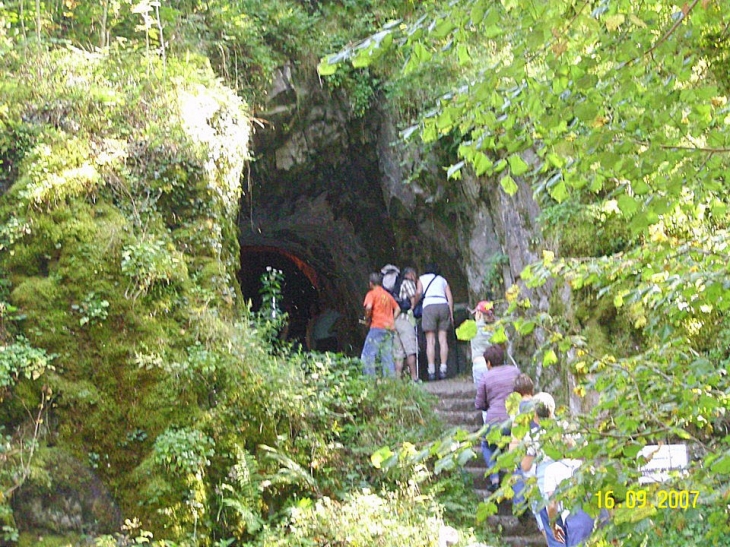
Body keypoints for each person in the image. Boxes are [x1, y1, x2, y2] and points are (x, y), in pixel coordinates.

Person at [475, 344, 521, 491]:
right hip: (514, 421)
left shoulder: (485, 377)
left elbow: (479, 404)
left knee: (487, 445)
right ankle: (517, 482)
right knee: (515, 449)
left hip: (494, 421)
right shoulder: (515, 371)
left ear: (488, 362)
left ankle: (495, 479)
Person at [417, 263, 453, 381]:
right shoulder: (442, 280)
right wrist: (451, 314)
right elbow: (450, 297)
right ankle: (443, 368)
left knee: (430, 341)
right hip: (443, 305)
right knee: (443, 340)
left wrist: (413, 304)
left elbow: (418, 293)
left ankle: (431, 370)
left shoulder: (422, 279)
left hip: (429, 305)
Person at [360, 272, 400, 377]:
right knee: (387, 355)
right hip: (389, 328)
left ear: (370, 283)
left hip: (377, 327)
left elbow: (368, 307)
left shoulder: (371, 294)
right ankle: (390, 382)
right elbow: (398, 308)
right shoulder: (387, 295)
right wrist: (391, 319)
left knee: (368, 354)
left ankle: (370, 380)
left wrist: (367, 319)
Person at [393, 267, 419, 381]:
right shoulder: (408, 283)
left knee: (399, 352)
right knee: (410, 349)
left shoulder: (397, 286)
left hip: (396, 320)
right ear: (410, 274)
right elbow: (413, 300)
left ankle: (398, 379)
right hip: (405, 320)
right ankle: (414, 378)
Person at [470, 300, 496, 390]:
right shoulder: (496, 330)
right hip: (493, 366)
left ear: (479, 314)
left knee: (482, 396)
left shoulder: (472, 329)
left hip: (479, 365)